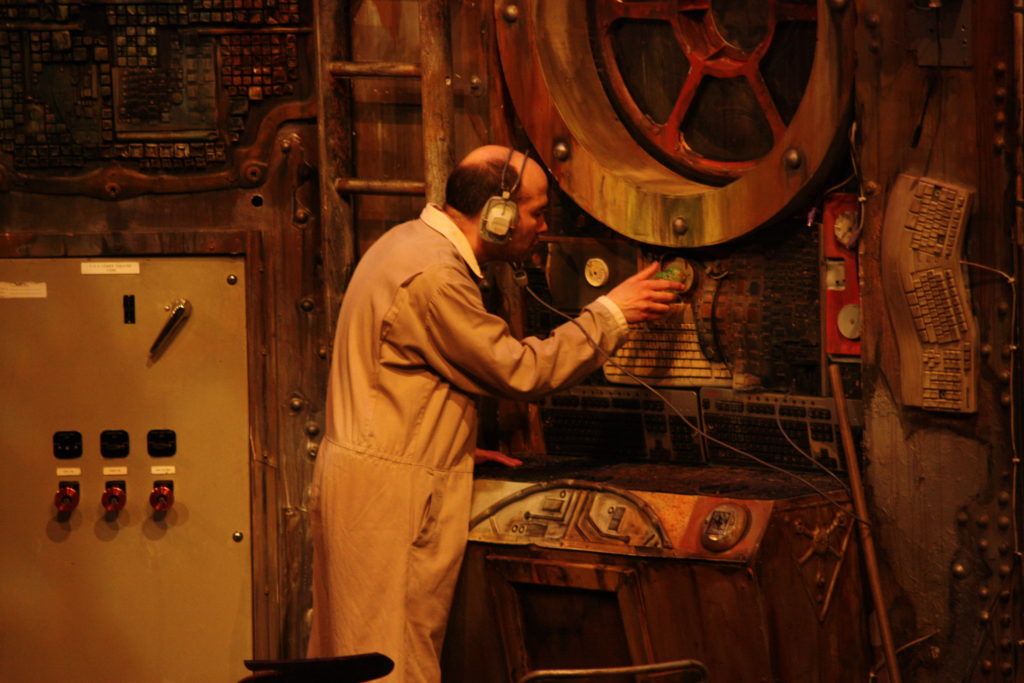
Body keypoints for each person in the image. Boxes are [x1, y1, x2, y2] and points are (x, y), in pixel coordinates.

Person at [307, 145, 684, 681]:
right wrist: (609, 315)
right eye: (536, 212)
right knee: (390, 663)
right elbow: (519, 371)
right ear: (498, 215)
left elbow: (397, 384)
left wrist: (447, 443)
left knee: (354, 659)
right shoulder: (436, 278)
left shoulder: (403, 244)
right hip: (391, 499)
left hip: (375, 477)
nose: (544, 226)